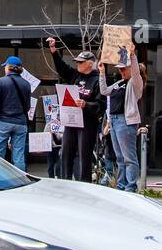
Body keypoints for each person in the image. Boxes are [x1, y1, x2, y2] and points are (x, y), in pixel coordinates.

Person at [48, 38, 103, 182]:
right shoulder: (76, 76)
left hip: (87, 123)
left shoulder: (98, 80)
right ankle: (65, 180)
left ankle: (85, 182)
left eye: (81, 62)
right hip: (71, 120)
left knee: (84, 155)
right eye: (77, 62)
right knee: (66, 152)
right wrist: (54, 51)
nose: (77, 64)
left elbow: (101, 104)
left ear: (90, 64)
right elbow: (62, 68)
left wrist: (86, 104)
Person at [99, 46, 148, 192]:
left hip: (125, 121)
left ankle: (130, 186)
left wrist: (132, 56)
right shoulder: (119, 83)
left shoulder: (134, 84)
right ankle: (121, 186)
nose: (120, 71)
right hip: (114, 120)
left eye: (123, 69)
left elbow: (135, 73)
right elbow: (104, 91)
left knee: (128, 157)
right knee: (120, 157)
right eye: (120, 69)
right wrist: (102, 73)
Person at [0, 56, 32, 171]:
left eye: (5, 67)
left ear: (8, 68)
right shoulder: (26, 84)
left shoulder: (1, 81)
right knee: (18, 156)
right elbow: (27, 107)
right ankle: (21, 181)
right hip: (21, 124)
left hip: (3, 122)